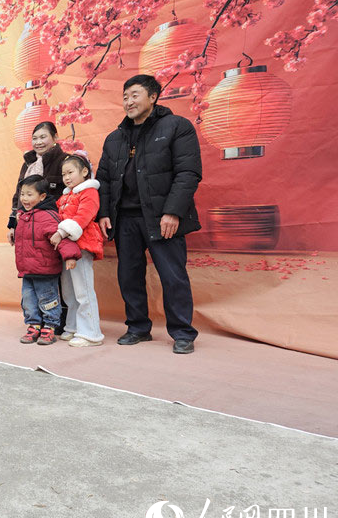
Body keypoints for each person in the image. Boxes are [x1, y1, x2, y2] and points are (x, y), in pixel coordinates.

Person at [96, 74, 202, 355]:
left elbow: (187, 173)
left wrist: (173, 212)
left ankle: (182, 332)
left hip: (161, 216)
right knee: (128, 275)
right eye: (125, 96)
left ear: (153, 97)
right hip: (125, 218)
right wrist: (104, 213)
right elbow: (103, 180)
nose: (128, 101)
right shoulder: (114, 138)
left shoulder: (177, 127)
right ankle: (138, 327)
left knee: (172, 275)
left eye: (134, 95)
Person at [13, 175, 81, 345]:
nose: (24, 199)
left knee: (48, 300)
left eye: (29, 195)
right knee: (28, 300)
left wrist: (70, 256)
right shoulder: (23, 216)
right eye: (22, 194)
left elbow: (61, 239)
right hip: (27, 270)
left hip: (46, 270)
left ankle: (50, 327)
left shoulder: (48, 216)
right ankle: (33, 326)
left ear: (42, 196)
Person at [51, 153, 105, 347]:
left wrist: (62, 232)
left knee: (83, 290)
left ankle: (91, 333)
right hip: (67, 248)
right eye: (63, 174)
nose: (66, 177)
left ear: (84, 172)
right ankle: (73, 327)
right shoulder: (66, 195)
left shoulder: (89, 192)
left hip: (82, 246)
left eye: (70, 172)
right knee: (69, 291)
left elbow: (83, 217)